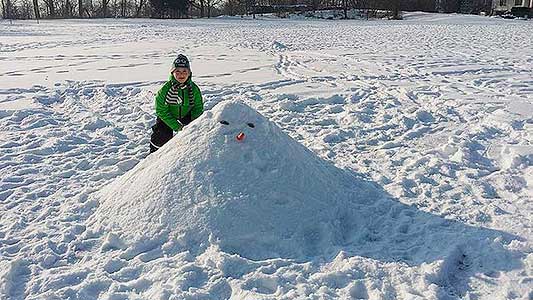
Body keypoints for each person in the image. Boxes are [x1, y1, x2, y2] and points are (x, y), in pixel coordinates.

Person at [150, 54, 204, 153]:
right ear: (172, 72)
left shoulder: (194, 89)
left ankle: (192, 151)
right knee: (161, 135)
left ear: (189, 73)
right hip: (168, 115)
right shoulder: (165, 90)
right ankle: (155, 154)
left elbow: (198, 107)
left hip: (187, 114)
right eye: (177, 71)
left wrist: (194, 123)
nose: (181, 74)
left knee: (196, 131)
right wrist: (178, 127)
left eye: (184, 71)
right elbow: (161, 110)